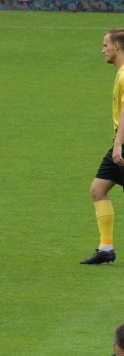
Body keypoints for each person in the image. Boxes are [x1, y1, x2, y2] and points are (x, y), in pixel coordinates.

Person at [81, 28, 124, 265]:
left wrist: (118, 143)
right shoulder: (120, 73)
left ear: (117, 46)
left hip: (123, 144)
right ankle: (106, 248)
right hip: (119, 142)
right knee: (98, 189)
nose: (103, 50)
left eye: (106, 45)